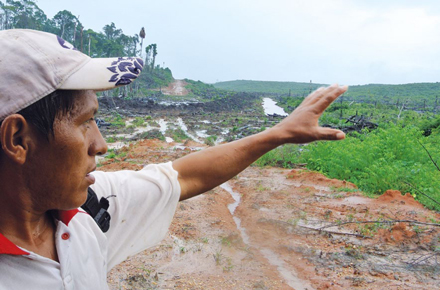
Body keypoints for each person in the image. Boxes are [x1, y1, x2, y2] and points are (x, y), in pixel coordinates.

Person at [0, 29, 347, 289]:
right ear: (18, 139)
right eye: (84, 122)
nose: (101, 144)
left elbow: (182, 176)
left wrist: (278, 134)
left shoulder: (87, 208)